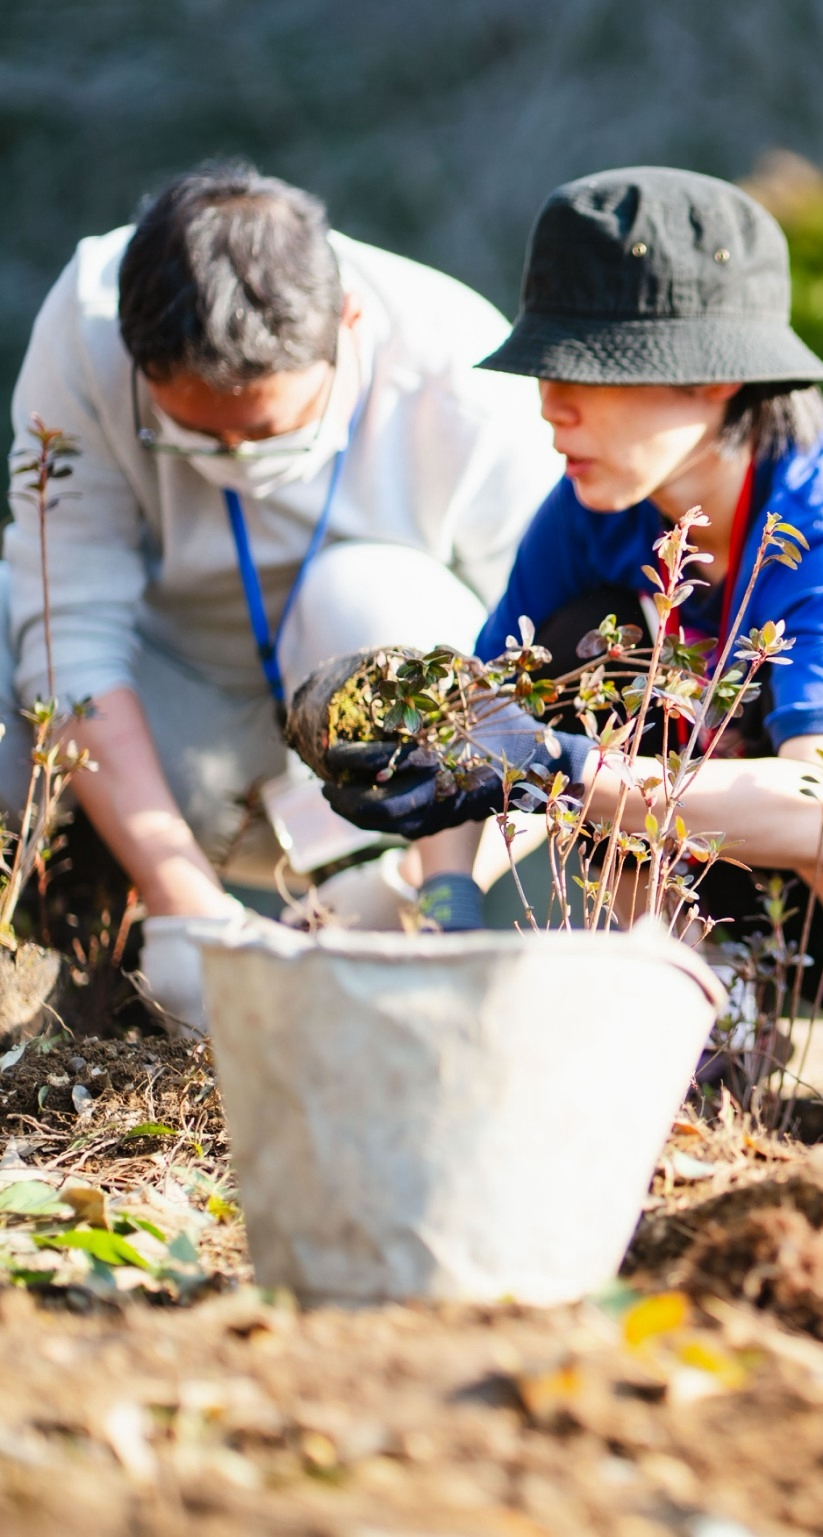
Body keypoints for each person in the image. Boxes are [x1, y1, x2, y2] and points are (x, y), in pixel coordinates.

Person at [317, 166, 823, 1136]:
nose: (548, 407)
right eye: (544, 371)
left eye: (583, 372)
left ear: (713, 379)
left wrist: (559, 769)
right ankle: (696, 1001)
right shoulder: (595, 510)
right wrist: (444, 896)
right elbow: (497, 718)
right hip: (810, 917)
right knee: (587, 647)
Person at [3, 160, 562, 1027]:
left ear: (348, 323)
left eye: (264, 431)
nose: (232, 459)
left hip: (379, 795)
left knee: (367, 592)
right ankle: (87, 958)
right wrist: (184, 899)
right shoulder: (86, 324)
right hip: (162, 742)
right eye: (193, 434)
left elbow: (555, 702)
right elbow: (68, 627)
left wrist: (416, 884)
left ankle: (410, 927)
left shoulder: (467, 376)